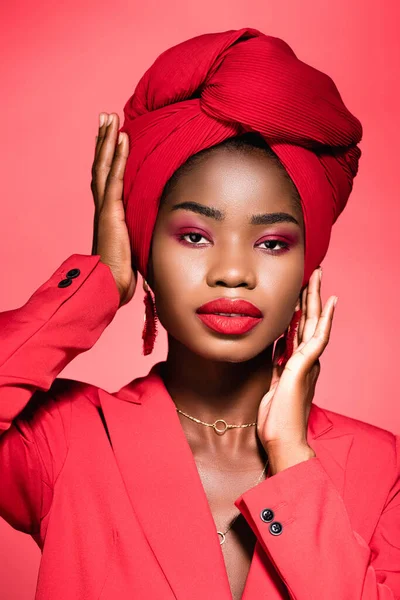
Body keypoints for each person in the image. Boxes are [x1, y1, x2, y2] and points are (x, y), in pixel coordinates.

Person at [0, 27, 399, 600]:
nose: (232, 271)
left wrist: (292, 459)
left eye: (271, 244)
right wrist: (98, 284)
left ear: (307, 266)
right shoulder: (64, 442)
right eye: (193, 236)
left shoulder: (381, 468)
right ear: (146, 253)